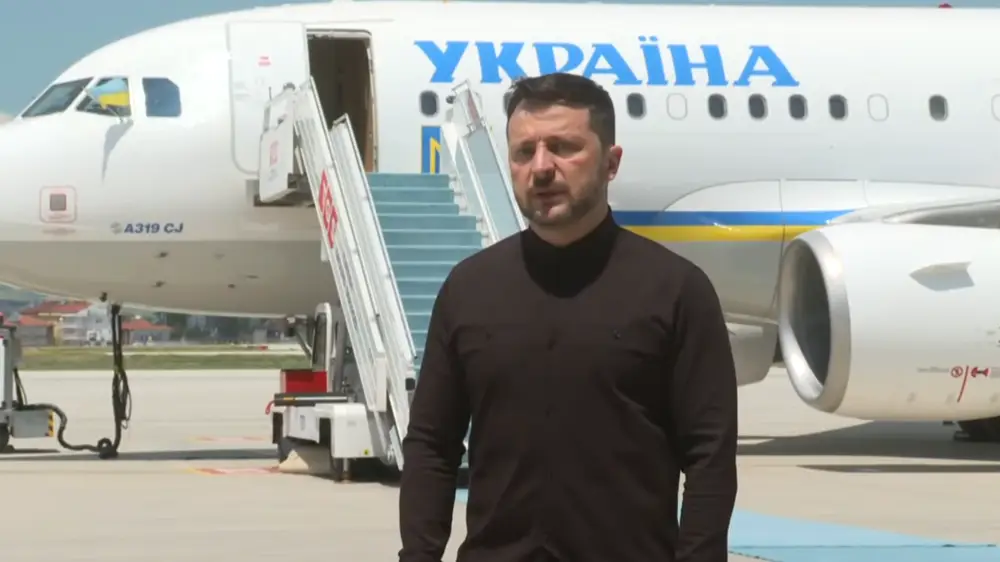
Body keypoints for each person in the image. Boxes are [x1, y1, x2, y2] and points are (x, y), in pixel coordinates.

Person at [398, 72, 738, 562]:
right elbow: (432, 444)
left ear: (611, 162)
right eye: (524, 152)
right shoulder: (468, 291)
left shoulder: (675, 292)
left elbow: (710, 456)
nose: (541, 168)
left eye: (563, 147)